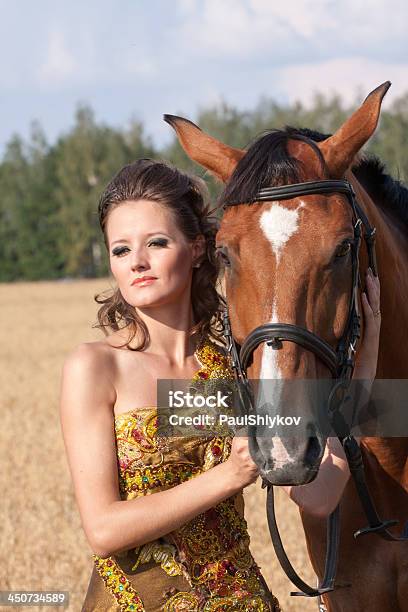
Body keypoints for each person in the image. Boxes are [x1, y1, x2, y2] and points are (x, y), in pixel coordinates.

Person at [60, 158, 381, 612]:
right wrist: (228, 476)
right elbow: (104, 531)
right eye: (120, 250)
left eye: (156, 242)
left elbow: (319, 496)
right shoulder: (96, 367)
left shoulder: (229, 376)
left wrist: (364, 369)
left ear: (195, 249)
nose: (138, 263)